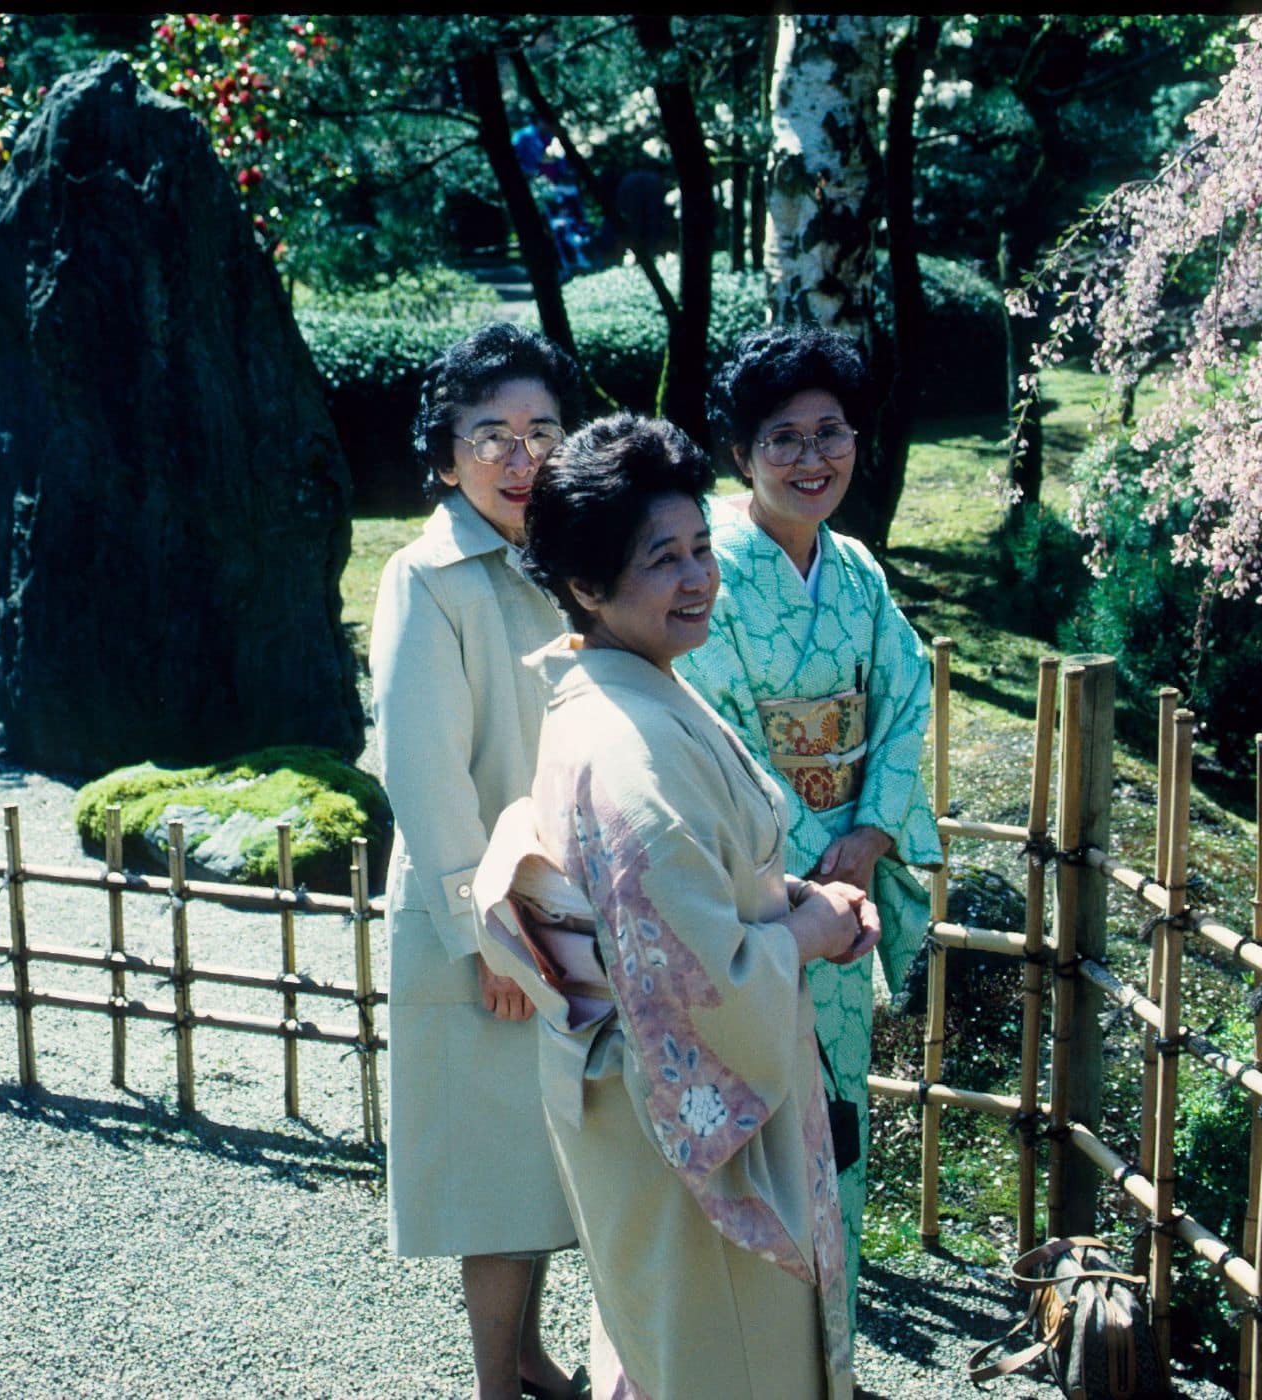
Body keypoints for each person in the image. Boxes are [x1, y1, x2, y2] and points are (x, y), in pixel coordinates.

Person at [472, 414, 878, 1398]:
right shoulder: (629, 752)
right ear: (585, 585)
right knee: (723, 1359)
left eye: (700, 546)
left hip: (627, 1099)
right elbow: (699, 980)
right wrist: (807, 929)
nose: (697, 575)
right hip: (674, 1116)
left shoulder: (629, 693)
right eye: (662, 558)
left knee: (668, 1347)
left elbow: (688, 893)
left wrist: (781, 895)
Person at [674, 326, 940, 1321]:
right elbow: (717, 725)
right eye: (780, 437)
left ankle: (825, 1337)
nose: (810, 457)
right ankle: (738, 1346)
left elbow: (907, 697)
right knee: (750, 1104)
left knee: (837, 1112)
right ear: (739, 453)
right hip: (751, 886)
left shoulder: (859, 572)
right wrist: (806, 867)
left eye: (830, 432)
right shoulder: (704, 570)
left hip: (846, 879)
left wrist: (869, 836)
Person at [370, 323, 589, 1400]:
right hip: (483, 930)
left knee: (547, 1158)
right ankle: (492, 1386)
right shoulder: (428, 577)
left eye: (542, 430)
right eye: (489, 435)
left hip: (565, 912)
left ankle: (529, 1357)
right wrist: (491, 937)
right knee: (498, 1172)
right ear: (446, 453)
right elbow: (422, 774)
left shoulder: (566, 563)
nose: (519, 456)